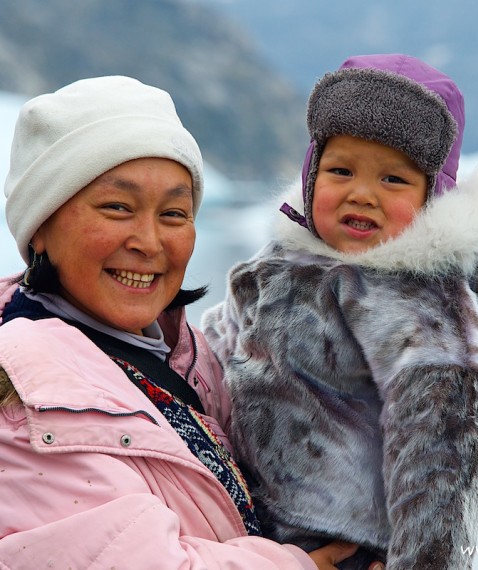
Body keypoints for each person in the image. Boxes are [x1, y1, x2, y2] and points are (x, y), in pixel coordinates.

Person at [0, 75, 385, 570]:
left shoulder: (189, 357)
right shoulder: (26, 394)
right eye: (117, 207)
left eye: (174, 213)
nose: (149, 241)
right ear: (41, 227)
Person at [201, 54, 478, 569]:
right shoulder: (276, 267)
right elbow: (209, 358)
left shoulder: (422, 306)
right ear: (312, 176)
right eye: (341, 170)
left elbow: (443, 460)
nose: (362, 193)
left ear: (433, 196)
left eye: (393, 180)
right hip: (252, 540)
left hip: (352, 552)